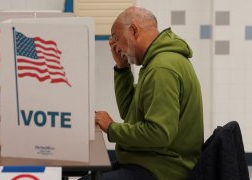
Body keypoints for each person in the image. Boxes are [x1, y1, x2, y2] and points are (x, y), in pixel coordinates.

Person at [80, 6, 204, 180]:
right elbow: (129, 112)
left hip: (162, 170)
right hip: (150, 162)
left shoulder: (162, 68)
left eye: (116, 38)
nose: (115, 47)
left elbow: (159, 134)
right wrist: (122, 68)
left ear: (133, 30)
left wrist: (111, 128)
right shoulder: (156, 62)